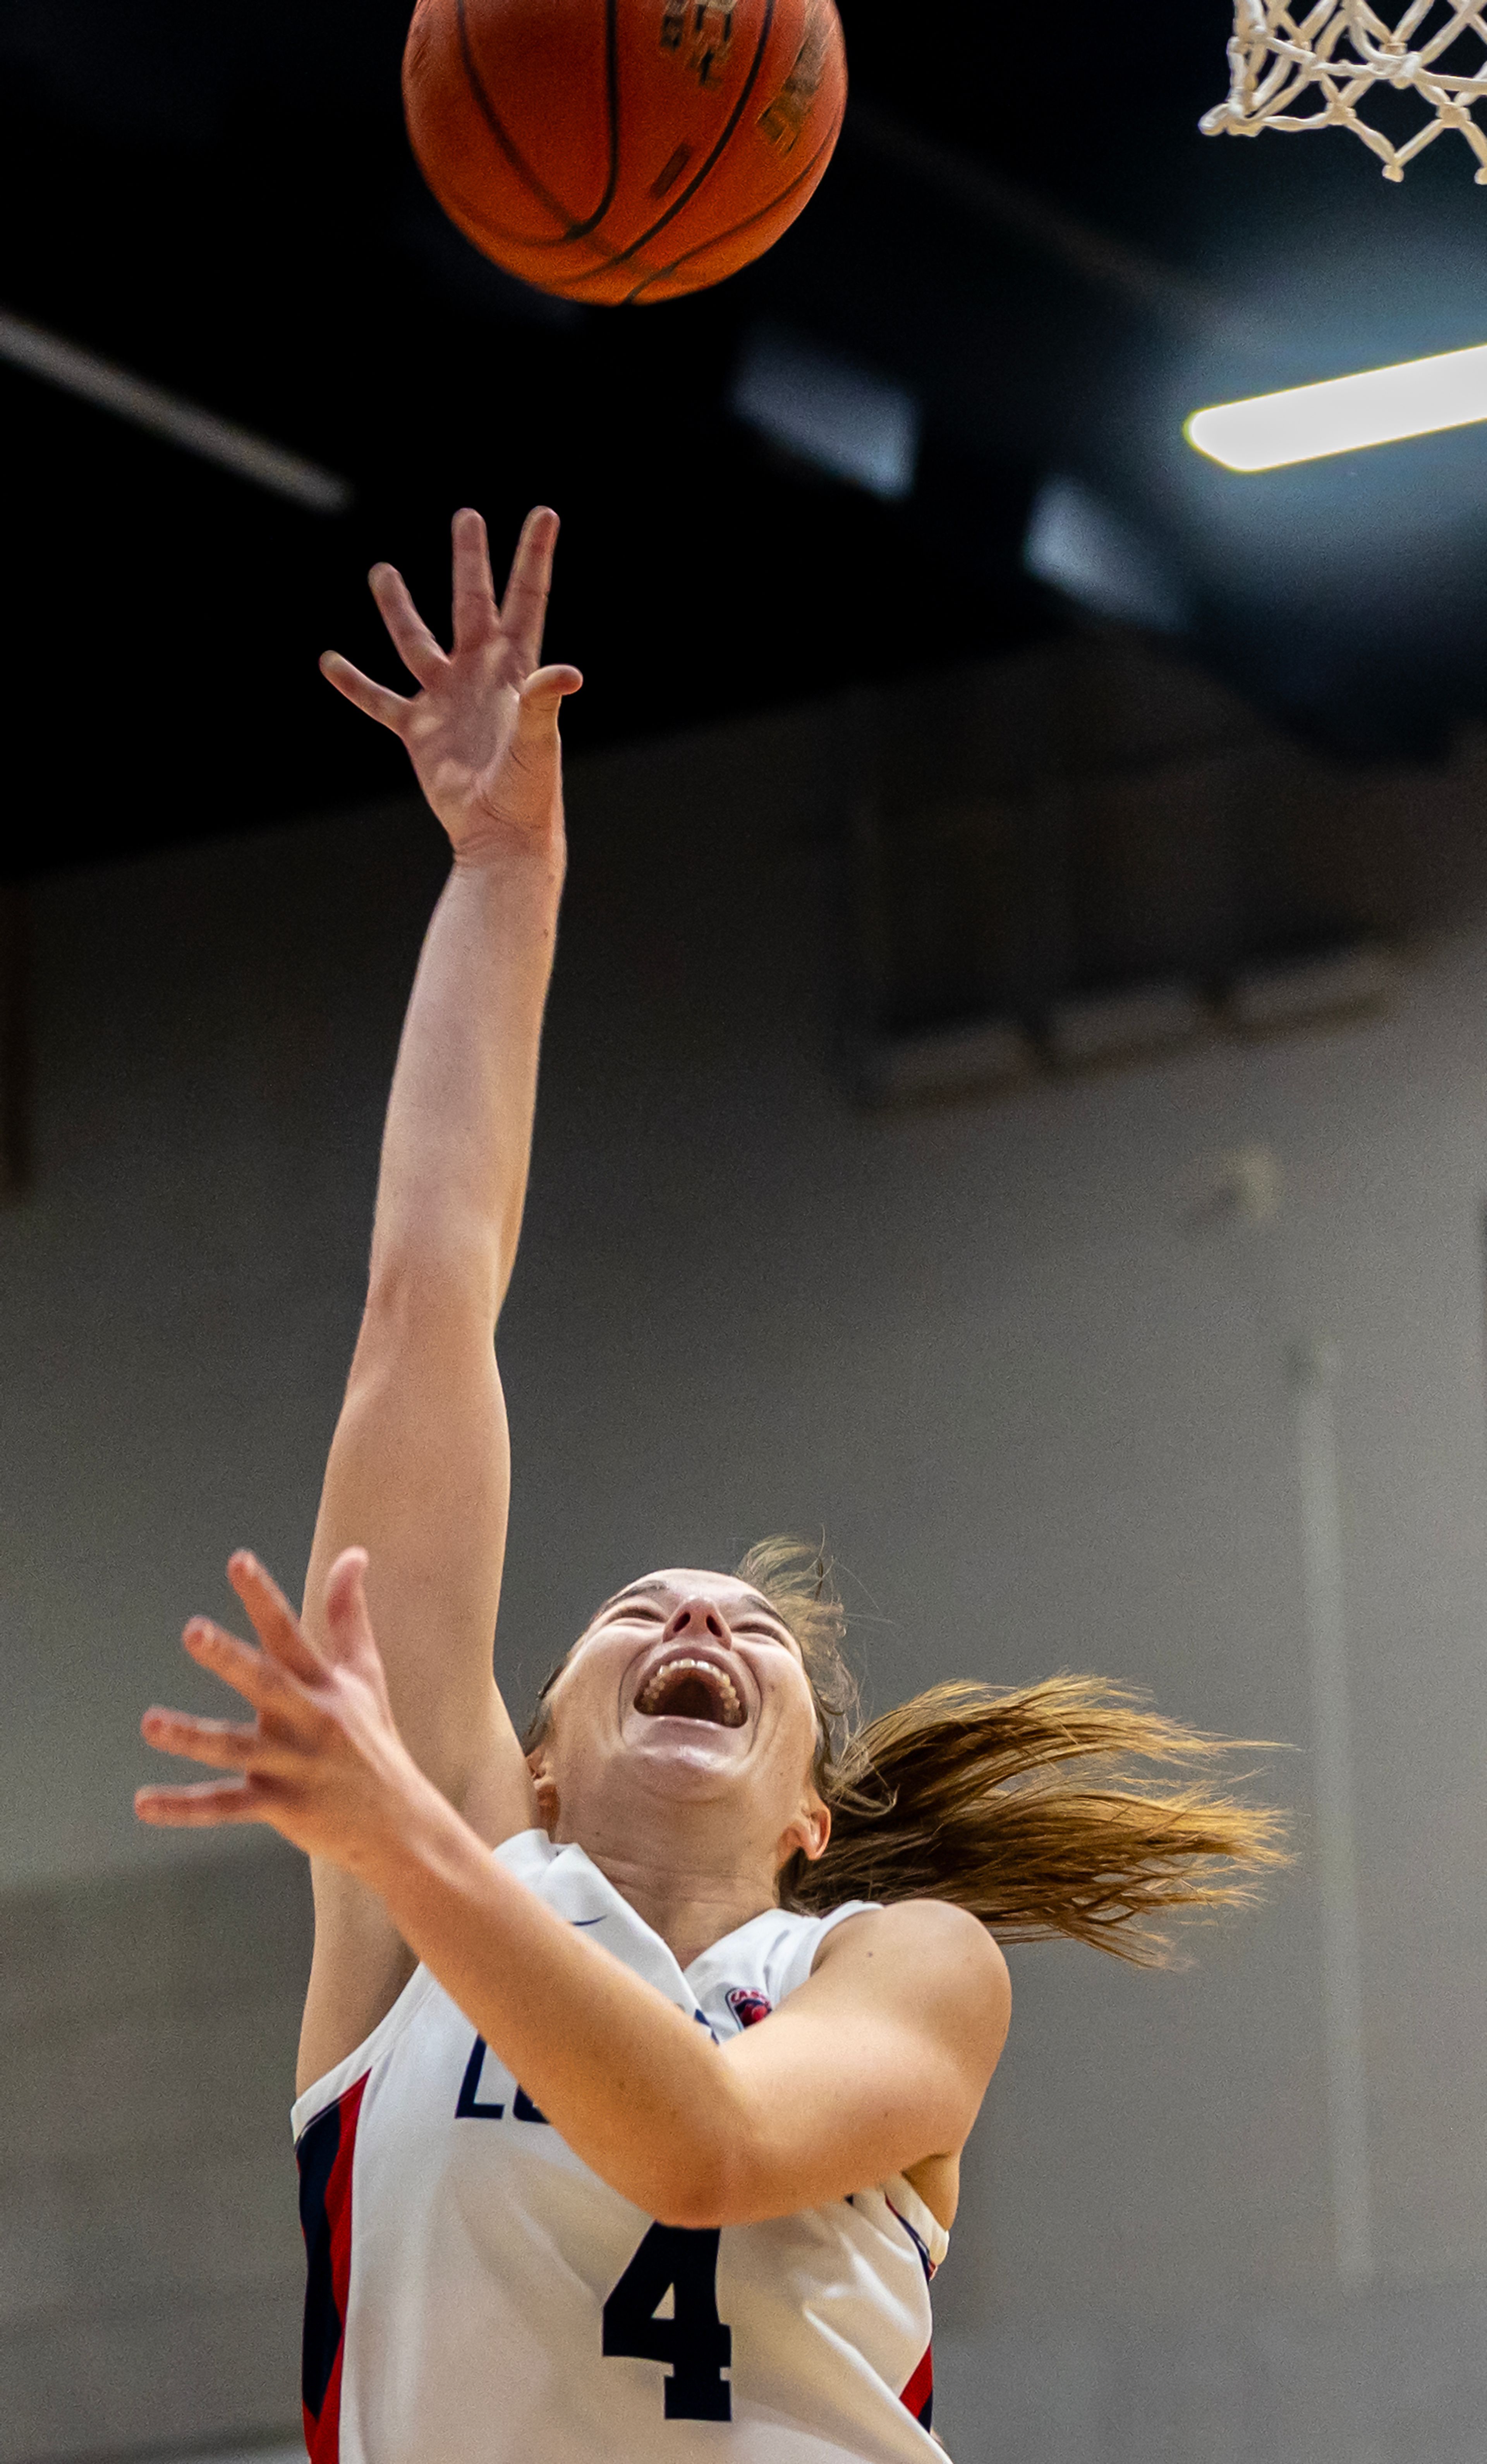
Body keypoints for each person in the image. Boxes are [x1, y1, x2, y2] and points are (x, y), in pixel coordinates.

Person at [136, 508, 1285, 2464]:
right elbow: (428, 1303)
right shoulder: (443, 1904)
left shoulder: (891, 1967)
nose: (695, 1619)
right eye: (640, 1613)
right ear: (544, 1757)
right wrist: (507, 867)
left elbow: (705, 2141)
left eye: (748, 1628)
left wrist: (402, 1828)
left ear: (813, 1815)